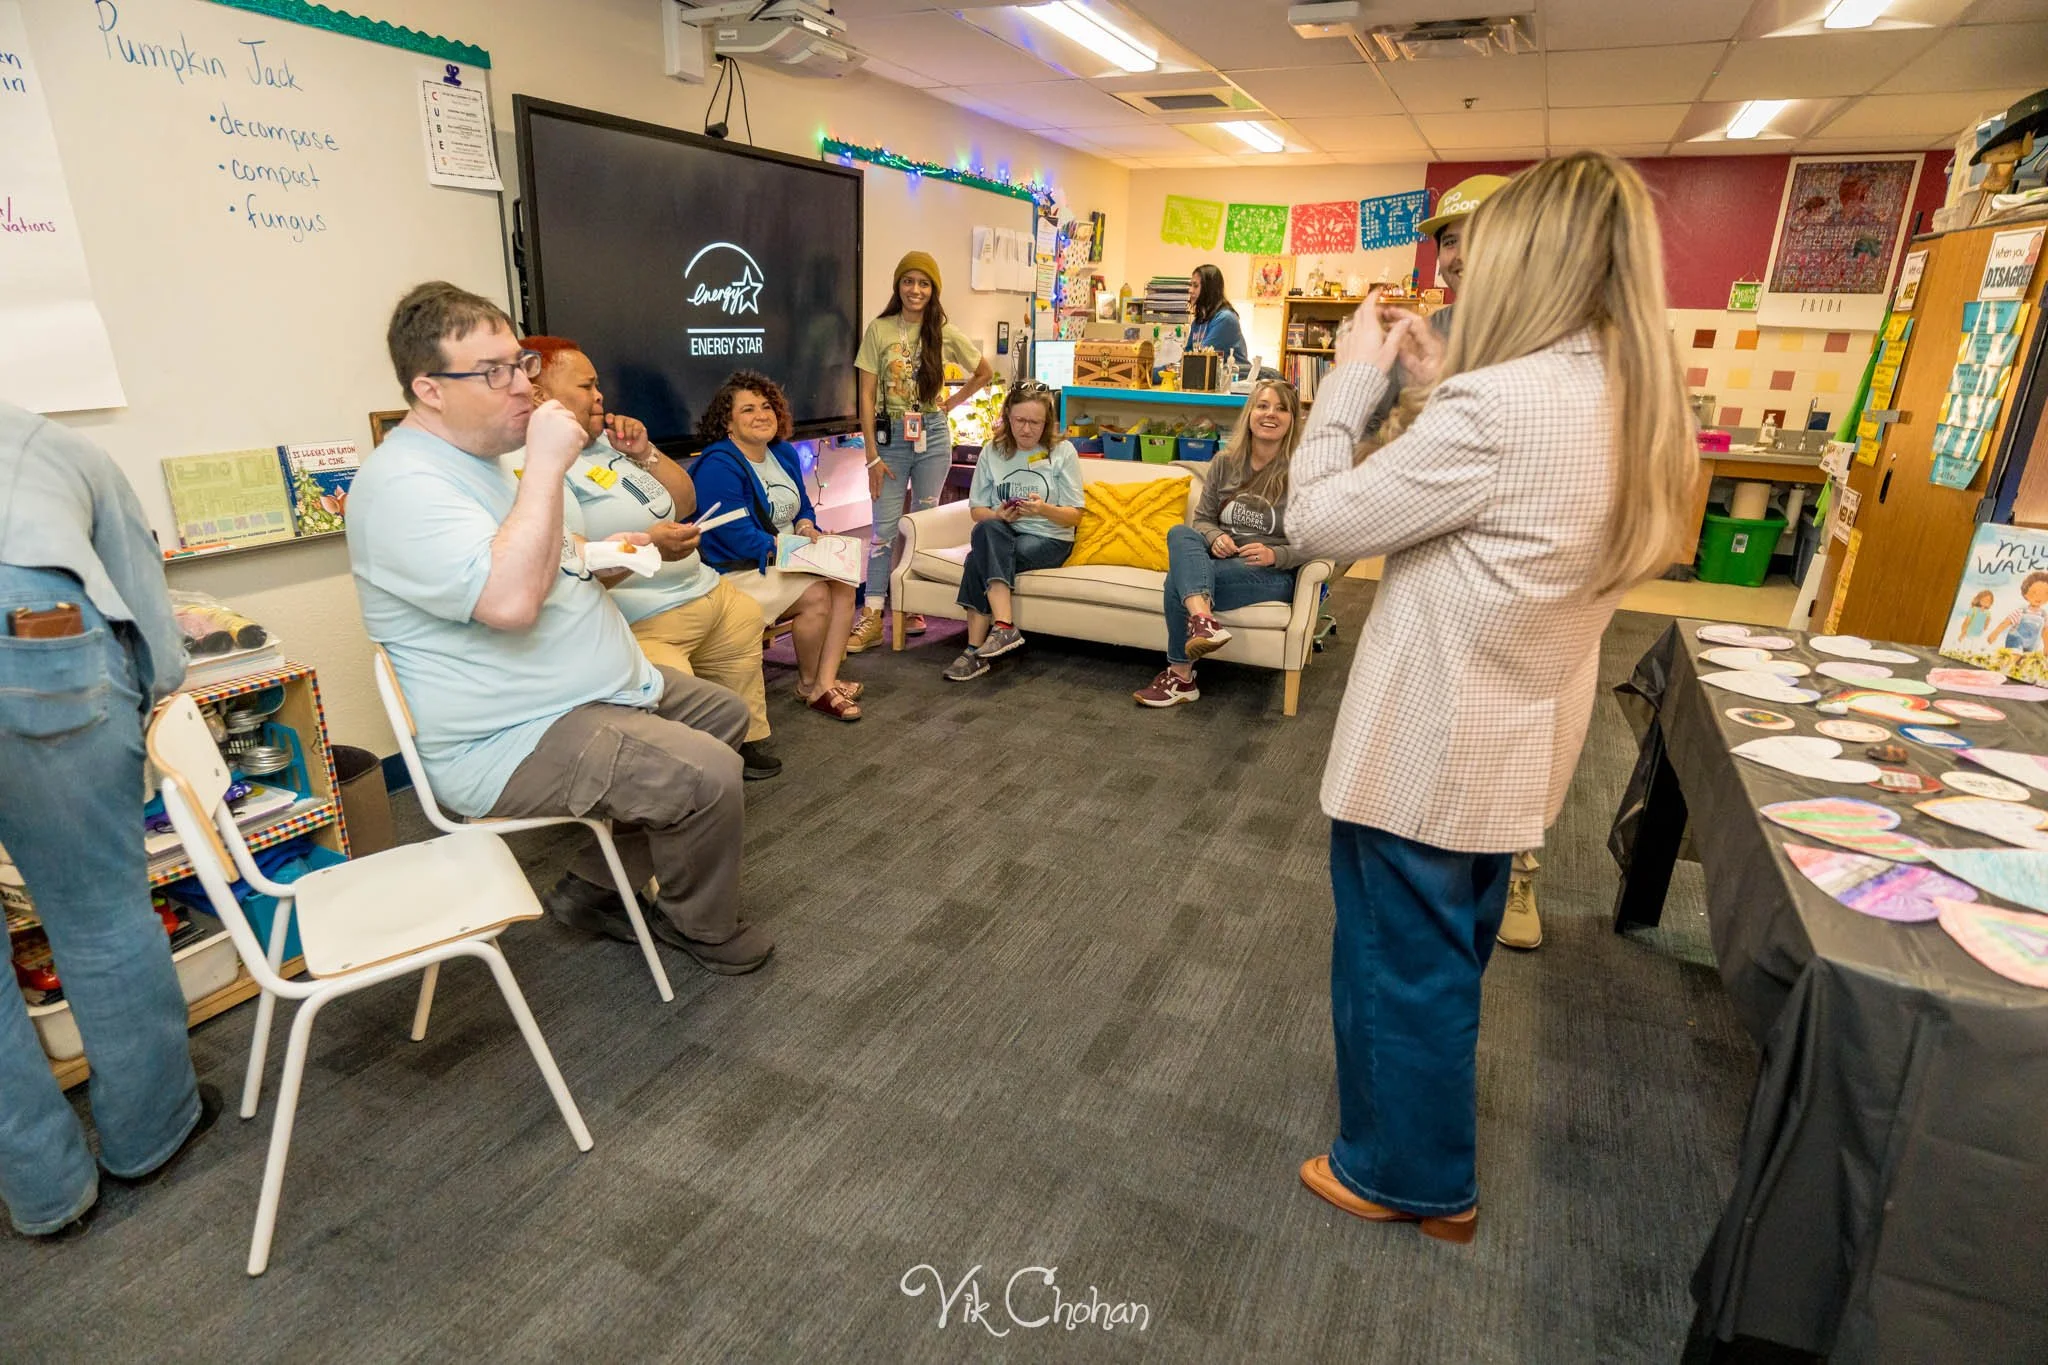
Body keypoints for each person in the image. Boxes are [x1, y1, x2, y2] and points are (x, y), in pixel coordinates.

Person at [1285, 153, 1694, 1240]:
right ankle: (1415, 1156)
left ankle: (1407, 1180)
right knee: (1439, 961)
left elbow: (1315, 523)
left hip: (1424, 749)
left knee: (1396, 968)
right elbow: (1505, 501)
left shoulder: (1499, 405)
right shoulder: (1622, 387)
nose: (1453, 280)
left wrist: (1350, 386)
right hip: (1509, 736)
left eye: (1469, 263)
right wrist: (1431, 387)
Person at [348, 283, 770, 975]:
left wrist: (625, 547)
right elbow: (511, 601)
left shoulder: (477, 460)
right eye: (493, 373)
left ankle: (596, 887)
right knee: (711, 773)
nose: (522, 386)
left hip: (585, 690)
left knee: (721, 715)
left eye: (518, 363)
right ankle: (703, 928)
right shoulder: (404, 487)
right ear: (429, 389)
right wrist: (545, 464)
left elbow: (556, 551)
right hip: (510, 733)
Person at [0, 402, 219, 1239]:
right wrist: (149, 698)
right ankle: (150, 1135)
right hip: (32, 640)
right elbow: (156, 643)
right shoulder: (46, 443)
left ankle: (45, 1193)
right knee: (97, 914)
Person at [1366, 172, 1545, 952]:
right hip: (1433, 540)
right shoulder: (1438, 324)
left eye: (1468, 238)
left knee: (1514, 721)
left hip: (1514, 565)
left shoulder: (1545, 329)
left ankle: (1521, 858)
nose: (1452, 257)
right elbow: (1397, 432)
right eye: (1445, 241)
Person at [518, 335, 780, 781]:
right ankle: (688, 777)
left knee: (741, 622)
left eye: (597, 385)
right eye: (586, 387)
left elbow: (685, 501)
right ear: (539, 394)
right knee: (676, 719)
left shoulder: (605, 444)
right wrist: (651, 546)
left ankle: (741, 741)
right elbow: (573, 568)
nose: (599, 395)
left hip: (702, 591)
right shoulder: (543, 467)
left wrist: (645, 452)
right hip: (644, 618)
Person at [693, 371, 865, 722]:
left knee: (846, 580)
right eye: (748, 410)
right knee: (817, 592)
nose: (761, 415)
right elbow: (736, 538)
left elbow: (802, 505)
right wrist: (797, 551)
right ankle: (809, 684)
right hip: (740, 569)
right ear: (727, 421)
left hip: (785, 556)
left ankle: (824, 682)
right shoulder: (717, 465)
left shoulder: (783, 453)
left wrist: (806, 527)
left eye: (766, 406)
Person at [848, 251, 992, 653]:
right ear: (898, 286)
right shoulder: (879, 330)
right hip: (890, 436)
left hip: (931, 433)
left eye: (924, 283)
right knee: (883, 530)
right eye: (909, 282)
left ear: (934, 290)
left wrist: (950, 404)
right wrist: (871, 457)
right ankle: (873, 614)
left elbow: (985, 371)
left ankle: (912, 608)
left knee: (923, 522)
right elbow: (865, 394)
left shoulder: (942, 331)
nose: (916, 290)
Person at [1133, 379, 1308, 707]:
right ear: (1250, 413)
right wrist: (1214, 537)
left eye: (1281, 409)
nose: (1270, 414)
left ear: (1292, 420)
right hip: (1221, 562)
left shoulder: (1302, 473)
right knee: (1179, 533)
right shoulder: (1224, 463)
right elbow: (1201, 520)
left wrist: (1276, 553)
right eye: (1263, 405)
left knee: (1177, 583)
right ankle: (1202, 621)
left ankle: (1181, 675)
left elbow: (1318, 542)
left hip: (1268, 574)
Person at [943, 384, 1084, 682]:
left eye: (1035, 423)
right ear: (1007, 416)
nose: (1027, 429)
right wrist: (998, 515)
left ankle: (974, 650)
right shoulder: (992, 451)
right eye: (1020, 420)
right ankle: (1003, 629)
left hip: (1049, 539)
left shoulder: (1062, 451)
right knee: (988, 528)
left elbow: (1074, 516)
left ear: (1047, 422)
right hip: (1003, 533)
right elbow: (977, 510)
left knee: (977, 559)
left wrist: (1043, 509)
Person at [1187, 263, 1249, 370]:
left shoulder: (1225, 319)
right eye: (1190, 285)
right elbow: (1187, 357)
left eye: (1195, 286)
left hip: (1233, 382)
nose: (1190, 290)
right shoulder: (1198, 322)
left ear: (1209, 289)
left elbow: (1199, 360)